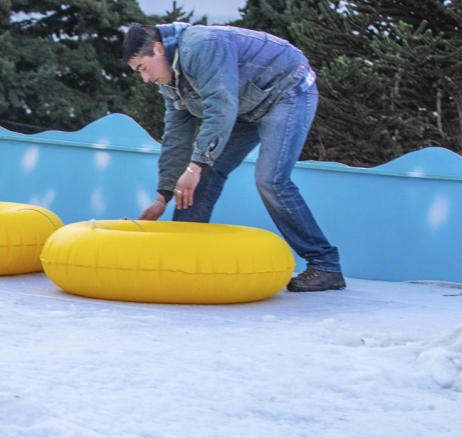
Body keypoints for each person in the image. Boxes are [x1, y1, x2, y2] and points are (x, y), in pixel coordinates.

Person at [124, 22, 346, 292]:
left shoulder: (201, 45)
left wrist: (194, 167)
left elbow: (220, 107)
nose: (145, 79)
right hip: (244, 105)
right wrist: (163, 196)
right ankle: (181, 259)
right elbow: (176, 134)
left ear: (158, 49)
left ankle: (326, 265)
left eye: (142, 69)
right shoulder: (169, 77)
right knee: (203, 172)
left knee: (271, 180)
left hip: (286, 91)